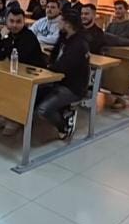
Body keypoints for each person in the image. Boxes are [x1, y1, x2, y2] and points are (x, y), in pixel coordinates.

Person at [0, 6, 46, 135]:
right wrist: (3, 46)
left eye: (18, 22)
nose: (14, 25)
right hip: (14, 72)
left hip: (32, 76)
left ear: (24, 22)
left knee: (15, 85)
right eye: (11, 21)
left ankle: (16, 119)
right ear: (6, 21)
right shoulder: (7, 34)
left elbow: (18, 56)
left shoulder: (29, 37)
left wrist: (4, 41)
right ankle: (4, 115)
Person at [37, 10, 91, 140]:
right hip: (57, 80)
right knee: (32, 95)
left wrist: (48, 68)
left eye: (60, 21)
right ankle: (62, 109)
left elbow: (63, 67)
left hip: (72, 87)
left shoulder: (79, 44)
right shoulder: (63, 37)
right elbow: (54, 58)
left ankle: (64, 125)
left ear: (68, 24)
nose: (58, 23)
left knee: (42, 110)